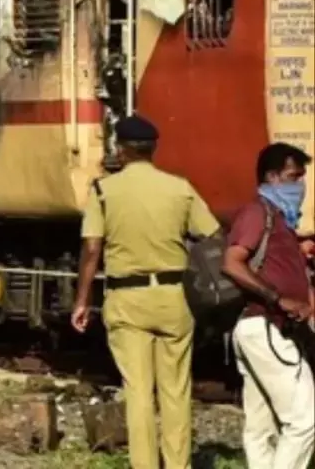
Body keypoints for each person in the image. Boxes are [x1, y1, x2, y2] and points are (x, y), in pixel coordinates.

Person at [71, 115, 220, 469]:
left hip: (128, 300)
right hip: (174, 298)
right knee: (176, 390)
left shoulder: (105, 191)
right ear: (153, 149)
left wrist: (82, 300)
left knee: (138, 392)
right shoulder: (179, 188)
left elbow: (92, 249)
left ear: (121, 150)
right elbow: (213, 235)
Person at [222, 142, 314, 469]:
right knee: (305, 420)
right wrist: (279, 298)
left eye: (302, 177)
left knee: (261, 428)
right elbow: (232, 263)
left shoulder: (281, 220)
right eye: (293, 177)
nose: (300, 186)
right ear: (272, 177)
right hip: (264, 326)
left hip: (262, 329)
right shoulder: (257, 212)